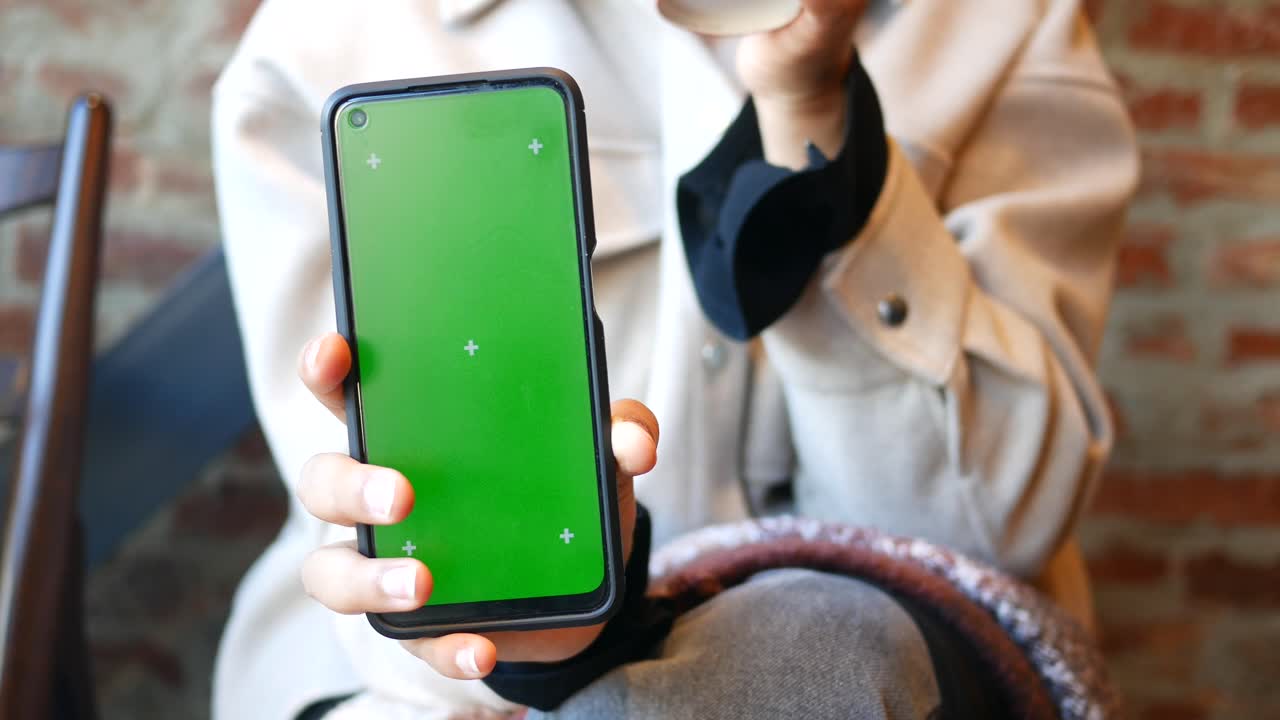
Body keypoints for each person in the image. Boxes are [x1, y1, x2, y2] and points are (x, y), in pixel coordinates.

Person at [211, 0, 1139, 718]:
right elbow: (383, 558)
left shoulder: (1000, 27)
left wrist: (814, 128)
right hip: (417, 687)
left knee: (806, 660)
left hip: (876, 655)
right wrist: (547, 640)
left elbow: (988, 526)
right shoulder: (329, 41)